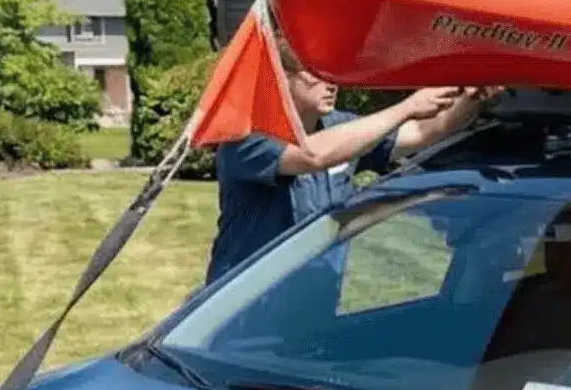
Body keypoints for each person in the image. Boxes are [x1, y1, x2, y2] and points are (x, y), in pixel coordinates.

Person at [203, 39, 494, 285]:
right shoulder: (247, 137)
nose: (331, 83)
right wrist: (406, 108)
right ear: (282, 77)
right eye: (317, 73)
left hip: (314, 291)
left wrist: (471, 100)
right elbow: (313, 155)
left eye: (334, 72)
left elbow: (422, 132)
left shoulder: (339, 126)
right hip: (245, 298)